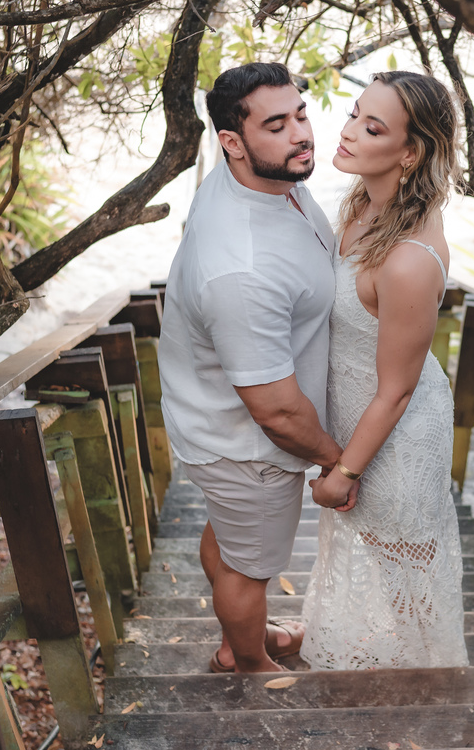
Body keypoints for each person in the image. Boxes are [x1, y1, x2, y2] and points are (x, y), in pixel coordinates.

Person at [157, 62, 344, 674]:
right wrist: (336, 458)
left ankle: (247, 635)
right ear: (231, 143)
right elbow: (277, 410)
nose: (301, 135)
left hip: (215, 423)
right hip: (245, 444)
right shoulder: (242, 268)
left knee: (239, 540)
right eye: (276, 124)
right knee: (251, 564)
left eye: (300, 114)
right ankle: (247, 664)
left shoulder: (260, 177)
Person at [300, 71, 469, 669]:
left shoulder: (408, 260)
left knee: (408, 576)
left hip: (395, 437)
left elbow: (396, 390)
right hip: (359, 418)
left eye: (372, 128)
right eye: (352, 115)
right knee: (380, 557)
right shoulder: (363, 208)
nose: (346, 133)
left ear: (410, 151)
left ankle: (435, 690)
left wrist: (345, 471)